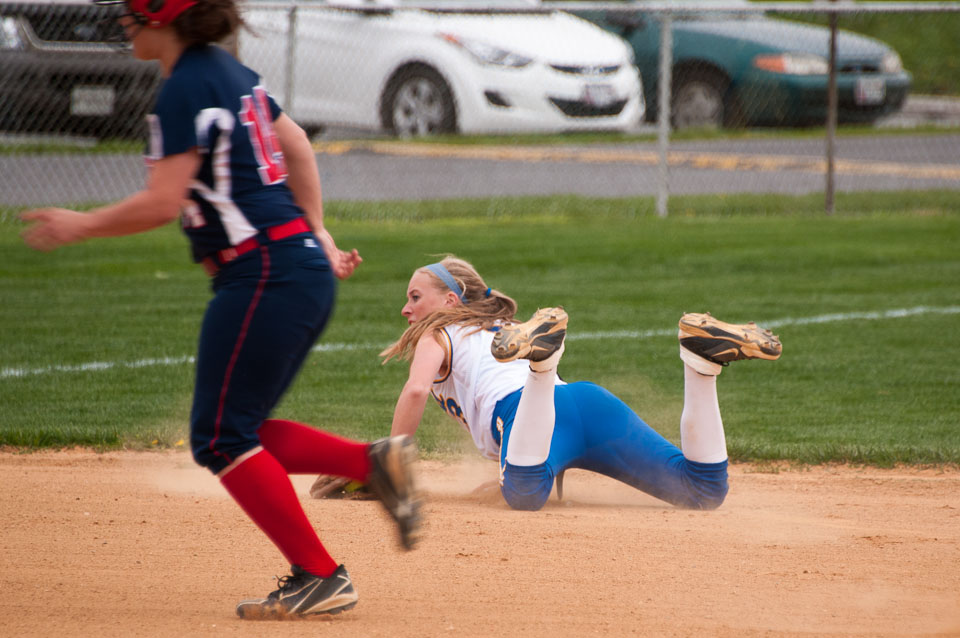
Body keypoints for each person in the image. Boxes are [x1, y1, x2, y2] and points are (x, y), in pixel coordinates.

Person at [20, 0, 420, 620]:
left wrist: (82, 224)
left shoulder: (186, 87)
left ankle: (320, 574)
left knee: (220, 438)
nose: (123, 20)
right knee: (237, 430)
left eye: (131, 11)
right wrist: (317, 232)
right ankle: (370, 463)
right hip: (291, 270)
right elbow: (297, 145)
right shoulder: (231, 73)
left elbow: (163, 201)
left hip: (262, 275)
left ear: (162, 16)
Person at [373, 255, 781, 512]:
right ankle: (699, 363)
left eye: (415, 297)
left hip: (523, 410)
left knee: (524, 495)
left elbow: (415, 390)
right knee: (702, 491)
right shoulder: (500, 326)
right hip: (583, 402)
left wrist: (388, 467)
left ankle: (542, 364)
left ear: (450, 301)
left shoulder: (437, 333)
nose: (406, 309)